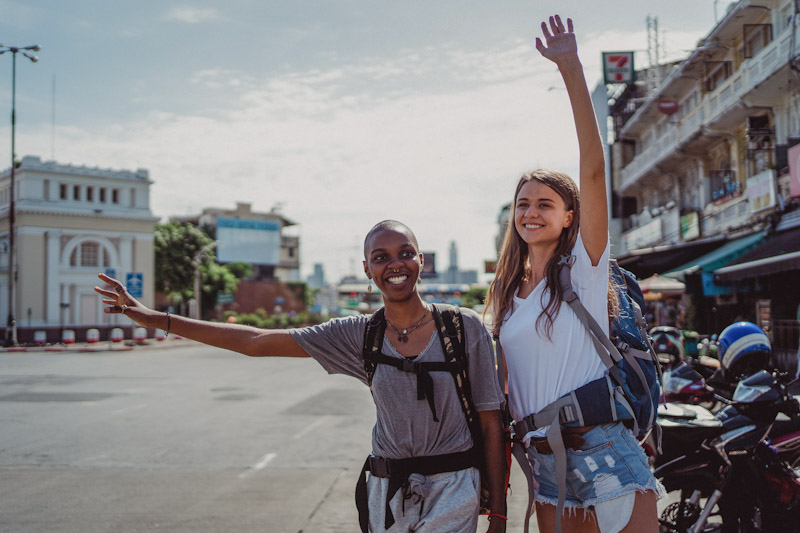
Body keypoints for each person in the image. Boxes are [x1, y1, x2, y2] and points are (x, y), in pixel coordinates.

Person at [95, 219, 507, 533]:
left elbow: (491, 421)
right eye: (381, 257)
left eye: (405, 253)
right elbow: (256, 341)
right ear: (367, 269)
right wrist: (153, 317)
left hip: (454, 487)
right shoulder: (357, 334)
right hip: (388, 489)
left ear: (421, 260)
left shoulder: (462, 327)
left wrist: (499, 513)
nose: (394, 264)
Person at [485, 15, 663, 533]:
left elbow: (592, 169)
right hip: (542, 460)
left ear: (569, 216)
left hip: (603, 448)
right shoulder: (505, 297)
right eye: (523, 204)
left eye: (545, 203)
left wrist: (570, 69)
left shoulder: (583, 273)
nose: (531, 212)